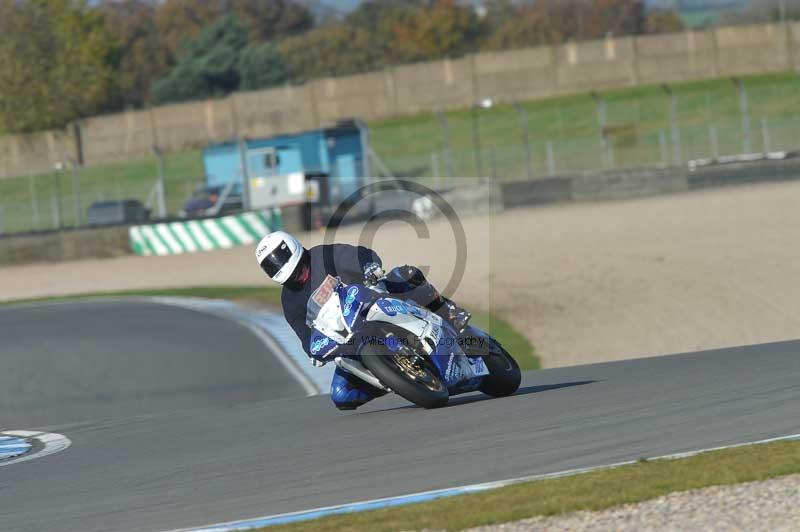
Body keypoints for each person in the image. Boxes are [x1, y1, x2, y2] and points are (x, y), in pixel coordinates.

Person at [255, 230, 470, 410]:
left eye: (300, 270)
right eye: (291, 277)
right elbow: (306, 339)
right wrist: (316, 351)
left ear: (297, 251)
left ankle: (447, 312)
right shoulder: (289, 302)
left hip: (372, 303)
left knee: (405, 274)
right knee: (341, 395)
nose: (298, 278)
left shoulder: (324, 255)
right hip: (349, 340)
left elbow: (361, 256)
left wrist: (369, 268)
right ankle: (393, 378)